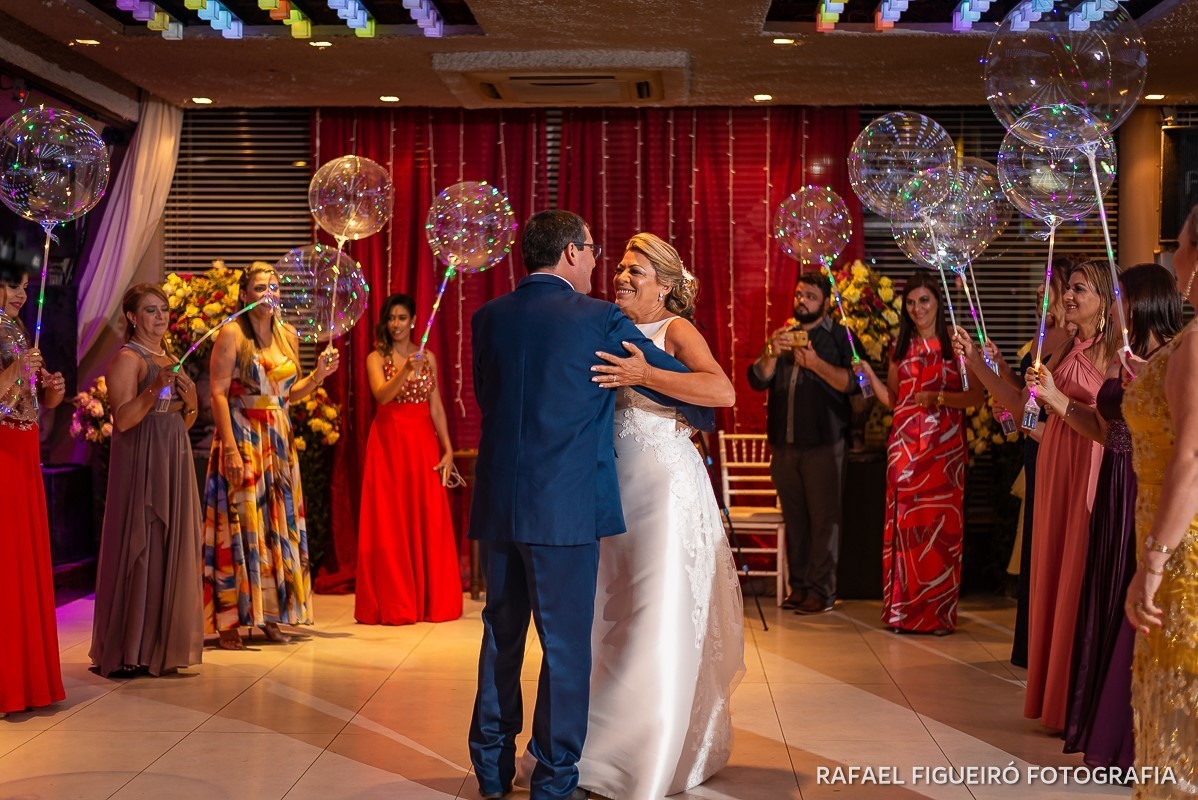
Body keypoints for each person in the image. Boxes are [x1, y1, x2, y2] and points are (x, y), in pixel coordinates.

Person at [467, 211, 713, 800]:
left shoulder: (487, 318)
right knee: (566, 645)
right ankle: (553, 779)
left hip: (500, 504)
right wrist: (694, 418)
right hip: (564, 509)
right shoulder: (596, 318)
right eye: (596, 251)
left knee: (501, 635)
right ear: (573, 253)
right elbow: (679, 384)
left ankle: (491, 770)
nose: (601, 263)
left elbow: (488, 399)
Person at [572, 232, 742, 799]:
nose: (621, 276)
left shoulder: (674, 330)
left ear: (666, 285)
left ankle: (647, 754)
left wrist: (646, 375)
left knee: (655, 616)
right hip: (612, 487)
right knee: (608, 616)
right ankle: (596, 746)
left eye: (636, 270)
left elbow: (721, 391)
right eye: (619, 267)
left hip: (666, 488)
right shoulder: (603, 324)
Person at [1034, 264, 1179, 768]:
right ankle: (1102, 723)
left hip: (1144, 480)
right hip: (1115, 482)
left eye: (1120, 296)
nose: (1117, 306)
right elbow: (1102, 428)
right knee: (1105, 600)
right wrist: (1053, 399)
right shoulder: (1124, 360)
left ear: (1142, 301)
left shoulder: (1171, 359)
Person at [201, 263, 339, 650]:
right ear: (244, 294)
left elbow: (287, 395)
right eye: (260, 287)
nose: (268, 293)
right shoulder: (231, 333)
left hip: (277, 437)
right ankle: (229, 618)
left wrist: (318, 377)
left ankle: (270, 614)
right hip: (242, 435)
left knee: (276, 523)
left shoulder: (288, 335)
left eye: (274, 287)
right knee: (240, 520)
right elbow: (217, 392)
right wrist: (229, 447)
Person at [1008, 260, 1116, 730]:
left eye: (1079, 289)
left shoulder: (1115, 355)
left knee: (1075, 575)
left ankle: (1072, 702)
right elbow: (1033, 421)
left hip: (1084, 471)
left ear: (1106, 301)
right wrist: (1017, 407)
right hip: (1051, 469)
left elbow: (1109, 428)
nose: (1067, 297)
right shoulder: (1060, 348)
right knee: (1048, 574)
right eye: (1067, 288)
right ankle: (1052, 702)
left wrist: (1054, 400)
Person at [962, 258, 1075, 667]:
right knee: (1034, 543)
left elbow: (1042, 404)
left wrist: (983, 369)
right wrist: (1002, 369)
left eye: (1052, 284)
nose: (1043, 292)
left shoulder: (1073, 339)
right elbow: (1026, 394)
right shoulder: (1042, 332)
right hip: (1034, 443)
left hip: (1054, 442)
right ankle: (1031, 644)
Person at [90, 283, 205, 678]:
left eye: (164, 309)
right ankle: (131, 646)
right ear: (132, 317)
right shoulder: (128, 358)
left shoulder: (170, 356)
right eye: (151, 310)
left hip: (173, 453)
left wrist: (191, 404)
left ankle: (160, 644)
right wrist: (156, 387)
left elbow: (184, 420)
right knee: (145, 541)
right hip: (142, 458)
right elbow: (122, 419)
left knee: (171, 544)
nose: (160, 317)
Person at [860, 272, 981, 635]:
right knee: (907, 530)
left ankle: (938, 615)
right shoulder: (901, 348)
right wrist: (869, 376)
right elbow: (895, 401)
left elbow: (976, 396)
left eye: (924, 300)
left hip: (944, 453)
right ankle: (901, 613)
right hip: (903, 449)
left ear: (938, 302)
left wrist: (939, 398)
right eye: (911, 303)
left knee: (941, 528)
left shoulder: (955, 347)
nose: (917, 309)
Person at [1124, 204, 1198, 798]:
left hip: (1183, 550)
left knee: (1178, 708)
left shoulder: (1196, 343)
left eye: (1178, 242)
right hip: (1176, 534)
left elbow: (1191, 458)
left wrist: (1153, 562)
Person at [747, 273, 856, 614]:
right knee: (795, 520)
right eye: (798, 294)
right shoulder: (783, 335)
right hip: (784, 444)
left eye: (810, 296)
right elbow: (756, 380)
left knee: (824, 521)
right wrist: (769, 351)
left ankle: (822, 592)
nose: (802, 301)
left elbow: (858, 383)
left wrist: (816, 364)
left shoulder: (840, 337)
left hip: (824, 443)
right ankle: (800, 586)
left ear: (825, 302)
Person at [354, 293, 462, 626]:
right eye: (391, 318)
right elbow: (381, 395)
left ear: (413, 320)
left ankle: (431, 601)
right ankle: (396, 603)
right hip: (388, 443)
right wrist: (405, 371)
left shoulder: (426, 356)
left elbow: (437, 407)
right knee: (390, 520)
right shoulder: (377, 357)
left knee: (426, 514)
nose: (396, 324)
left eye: (402, 318)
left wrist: (447, 449)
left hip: (421, 443)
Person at [0, 265, 66, 715]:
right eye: (11, 284)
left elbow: (31, 402)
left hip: (23, 448)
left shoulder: (17, 330)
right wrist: (16, 370)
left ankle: (25, 681)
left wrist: (52, 391)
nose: (22, 293)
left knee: (24, 561)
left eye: (24, 285)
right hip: (2, 451)